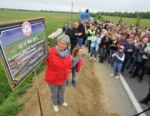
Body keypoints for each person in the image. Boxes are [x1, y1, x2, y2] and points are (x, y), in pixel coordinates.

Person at [45, 34, 72, 112]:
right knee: (54, 93)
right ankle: (55, 104)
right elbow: (45, 60)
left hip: (63, 77)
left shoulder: (68, 54)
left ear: (67, 45)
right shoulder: (50, 51)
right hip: (53, 78)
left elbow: (69, 65)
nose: (61, 45)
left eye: (63, 44)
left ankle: (61, 101)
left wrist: (67, 73)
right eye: (60, 42)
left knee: (62, 91)